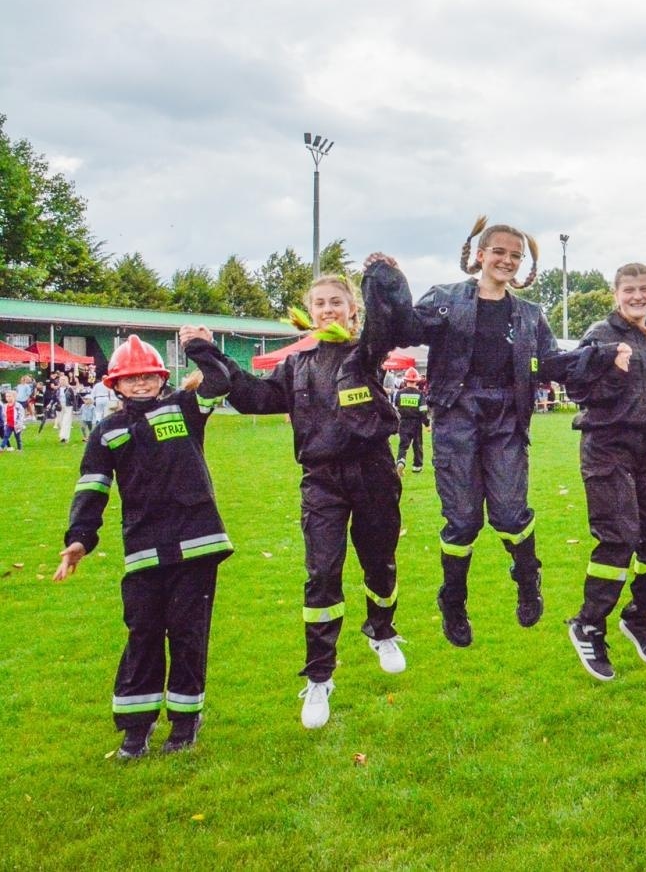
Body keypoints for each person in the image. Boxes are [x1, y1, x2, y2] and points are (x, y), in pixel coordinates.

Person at [188, 258, 414, 729]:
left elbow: (390, 319)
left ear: (353, 311)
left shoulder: (368, 351)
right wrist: (208, 353)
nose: (328, 310)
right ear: (308, 312)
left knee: (380, 565)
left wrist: (384, 279)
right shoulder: (295, 366)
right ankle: (319, 677)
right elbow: (252, 396)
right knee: (321, 575)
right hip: (321, 480)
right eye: (319, 303)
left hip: (373, 473)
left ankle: (382, 630)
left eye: (337, 302)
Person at [401, 217, 618, 649]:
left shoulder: (530, 315)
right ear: (479, 254)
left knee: (509, 515)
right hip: (456, 415)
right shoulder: (445, 300)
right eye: (499, 251)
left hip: (506, 418)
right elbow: (407, 328)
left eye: (515, 255)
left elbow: (554, 363)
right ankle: (454, 600)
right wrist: (388, 285)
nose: (506, 260)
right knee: (462, 521)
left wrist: (603, 355)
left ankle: (527, 576)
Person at [53, 335, 233, 757]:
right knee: (144, 635)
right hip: (145, 548)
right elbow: (92, 489)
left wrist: (199, 347)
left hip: (197, 543)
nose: (140, 384)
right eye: (131, 378)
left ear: (161, 377)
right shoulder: (107, 431)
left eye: (148, 376)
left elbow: (221, 379)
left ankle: (185, 724)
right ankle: (136, 731)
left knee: (189, 636)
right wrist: (80, 539)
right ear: (115, 384)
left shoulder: (184, 408)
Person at [561, 264, 646, 681]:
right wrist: (613, 373)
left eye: (645, 289)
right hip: (605, 446)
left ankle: (639, 617)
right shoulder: (600, 336)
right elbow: (577, 391)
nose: (638, 296)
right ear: (615, 293)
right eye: (630, 290)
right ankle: (588, 623)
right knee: (618, 539)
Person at [393, 367, 428, 472]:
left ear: (405, 380)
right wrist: (427, 423)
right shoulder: (420, 394)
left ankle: (401, 460)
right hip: (416, 423)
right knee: (417, 445)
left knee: (403, 444)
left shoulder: (399, 393)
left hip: (403, 422)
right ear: (417, 381)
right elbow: (423, 410)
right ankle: (417, 466)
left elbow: (396, 408)